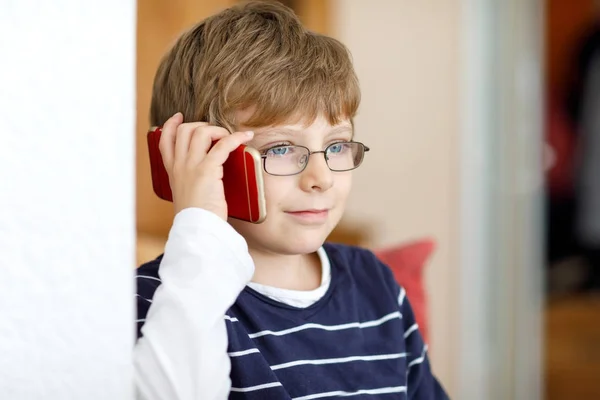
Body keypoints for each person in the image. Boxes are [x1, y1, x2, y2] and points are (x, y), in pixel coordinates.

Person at [133, 1, 449, 399]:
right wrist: (200, 224)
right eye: (281, 149)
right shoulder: (164, 299)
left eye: (336, 146)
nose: (320, 179)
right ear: (197, 158)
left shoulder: (376, 283)